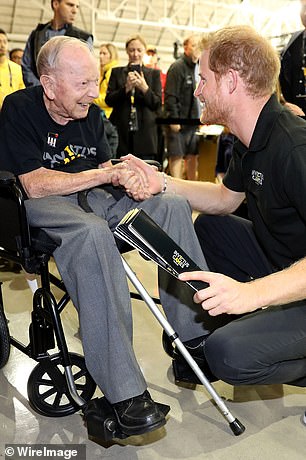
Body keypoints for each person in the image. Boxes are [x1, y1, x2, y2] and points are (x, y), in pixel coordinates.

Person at [0, 36, 214, 437]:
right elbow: (33, 183)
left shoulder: (93, 117)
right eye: (82, 84)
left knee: (170, 205)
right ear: (48, 85)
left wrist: (129, 176)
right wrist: (105, 173)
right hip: (39, 202)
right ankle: (127, 395)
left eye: (95, 82)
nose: (92, 93)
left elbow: (104, 170)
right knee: (92, 232)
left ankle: (195, 342)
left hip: (92, 197)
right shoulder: (19, 108)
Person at [123, 25, 306, 389]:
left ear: (231, 82)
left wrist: (250, 294)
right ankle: (250, 320)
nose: (198, 90)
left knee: (227, 354)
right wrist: (161, 181)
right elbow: (226, 199)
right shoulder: (250, 136)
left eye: (204, 79)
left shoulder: (294, 149)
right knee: (209, 228)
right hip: (284, 260)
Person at [105, 34, 162, 160]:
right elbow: (108, 100)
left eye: (139, 50)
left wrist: (144, 88)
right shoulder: (117, 72)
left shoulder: (154, 74)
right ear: (126, 51)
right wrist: (126, 88)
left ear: (144, 51)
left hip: (145, 133)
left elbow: (157, 103)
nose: (135, 54)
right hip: (122, 132)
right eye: (132, 50)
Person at [21, 0, 93, 87]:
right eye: (70, 5)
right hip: (38, 94)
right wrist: (42, 88)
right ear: (55, 4)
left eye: (77, 6)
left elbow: (86, 72)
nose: (75, 11)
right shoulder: (36, 35)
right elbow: (26, 66)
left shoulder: (84, 38)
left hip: (69, 96)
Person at [164, 35, 201, 180]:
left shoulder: (197, 68)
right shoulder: (177, 67)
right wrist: (174, 120)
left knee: (193, 156)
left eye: (199, 46)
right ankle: (177, 190)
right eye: (194, 45)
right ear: (186, 48)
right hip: (177, 122)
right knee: (177, 156)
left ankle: (193, 188)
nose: (197, 49)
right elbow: (170, 95)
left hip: (192, 122)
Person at [279, 0, 306, 115]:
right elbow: (284, 75)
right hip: (299, 117)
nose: (304, 13)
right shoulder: (294, 42)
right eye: (303, 8)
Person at [0, 29, 24, 109]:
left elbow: (22, 93)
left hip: (11, 113)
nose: (2, 45)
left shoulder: (17, 69)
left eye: (5, 42)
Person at [94, 42, 119, 119]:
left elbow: (109, 99)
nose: (101, 56)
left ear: (112, 56)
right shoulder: (103, 72)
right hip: (101, 111)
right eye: (100, 53)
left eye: (104, 53)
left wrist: (92, 99)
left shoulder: (112, 72)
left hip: (108, 115)